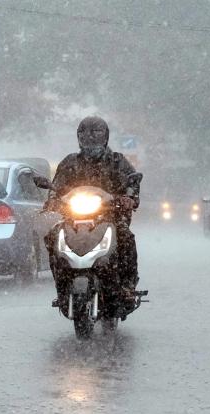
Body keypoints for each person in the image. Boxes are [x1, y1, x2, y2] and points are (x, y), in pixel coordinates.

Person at [44, 116, 141, 305]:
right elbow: (57, 186)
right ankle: (62, 286)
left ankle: (128, 286)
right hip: (73, 218)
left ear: (105, 137)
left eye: (96, 133)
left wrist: (129, 197)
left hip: (109, 216)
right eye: (84, 133)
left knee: (126, 237)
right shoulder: (70, 162)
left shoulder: (116, 161)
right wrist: (52, 199)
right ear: (79, 137)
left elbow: (132, 181)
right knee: (52, 236)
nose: (90, 138)